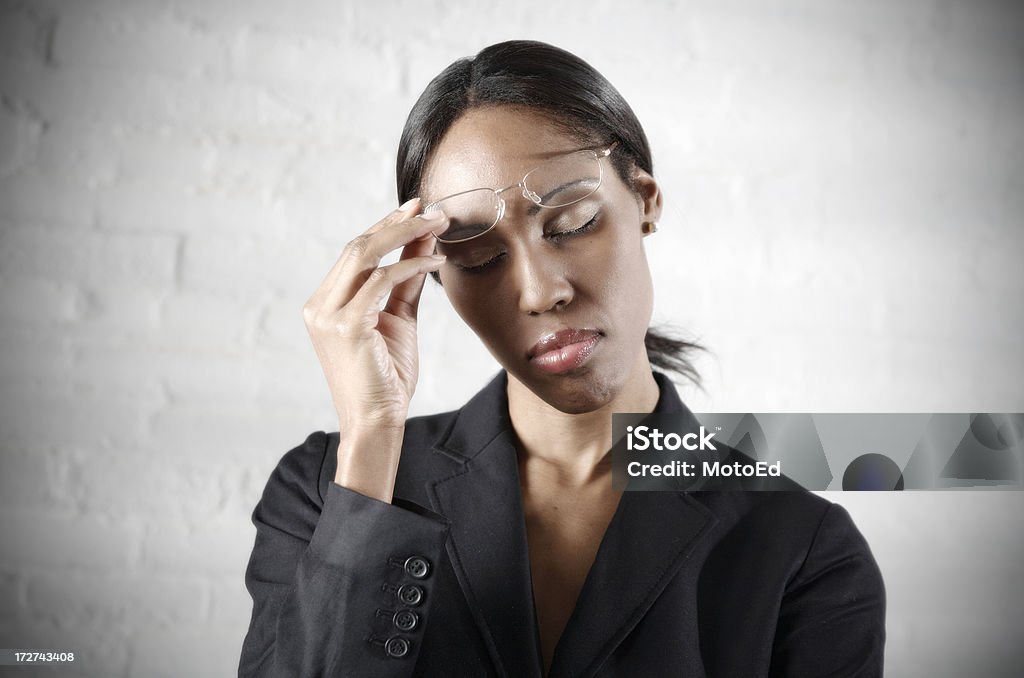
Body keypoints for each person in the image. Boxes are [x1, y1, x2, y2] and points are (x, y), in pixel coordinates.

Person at [238, 40, 886, 677]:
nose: (540, 291)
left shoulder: (802, 547)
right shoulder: (326, 494)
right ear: (435, 274)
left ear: (645, 199)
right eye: (478, 256)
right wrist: (373, 437)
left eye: (572, 222)